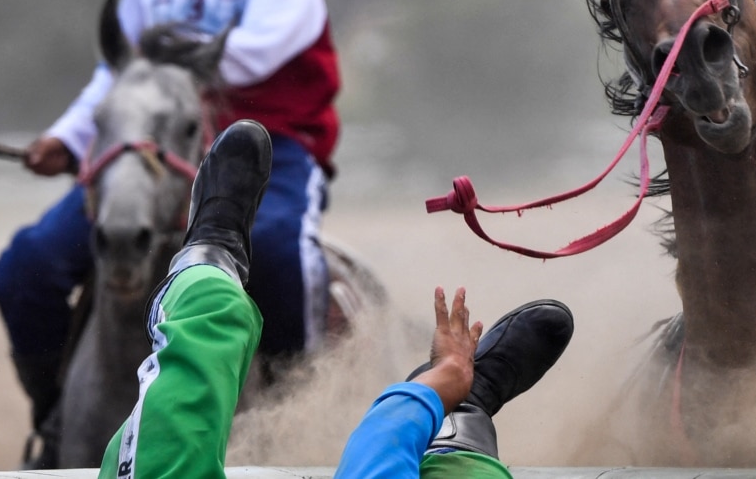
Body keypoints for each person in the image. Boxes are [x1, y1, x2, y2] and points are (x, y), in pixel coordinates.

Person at [0, 0, 341, 467]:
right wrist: (66, 137)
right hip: (149, 147)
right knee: (28, 265)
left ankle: (297, 419)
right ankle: (53, 420)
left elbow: (261, 50)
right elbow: (116, 72)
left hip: (271, 146)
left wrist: (164, 53)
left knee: (273, 249)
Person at [99, 119, 575, 479]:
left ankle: (207, 258)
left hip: (265, 131)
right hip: (171, 135)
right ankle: (463, 412)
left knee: (36, 263)